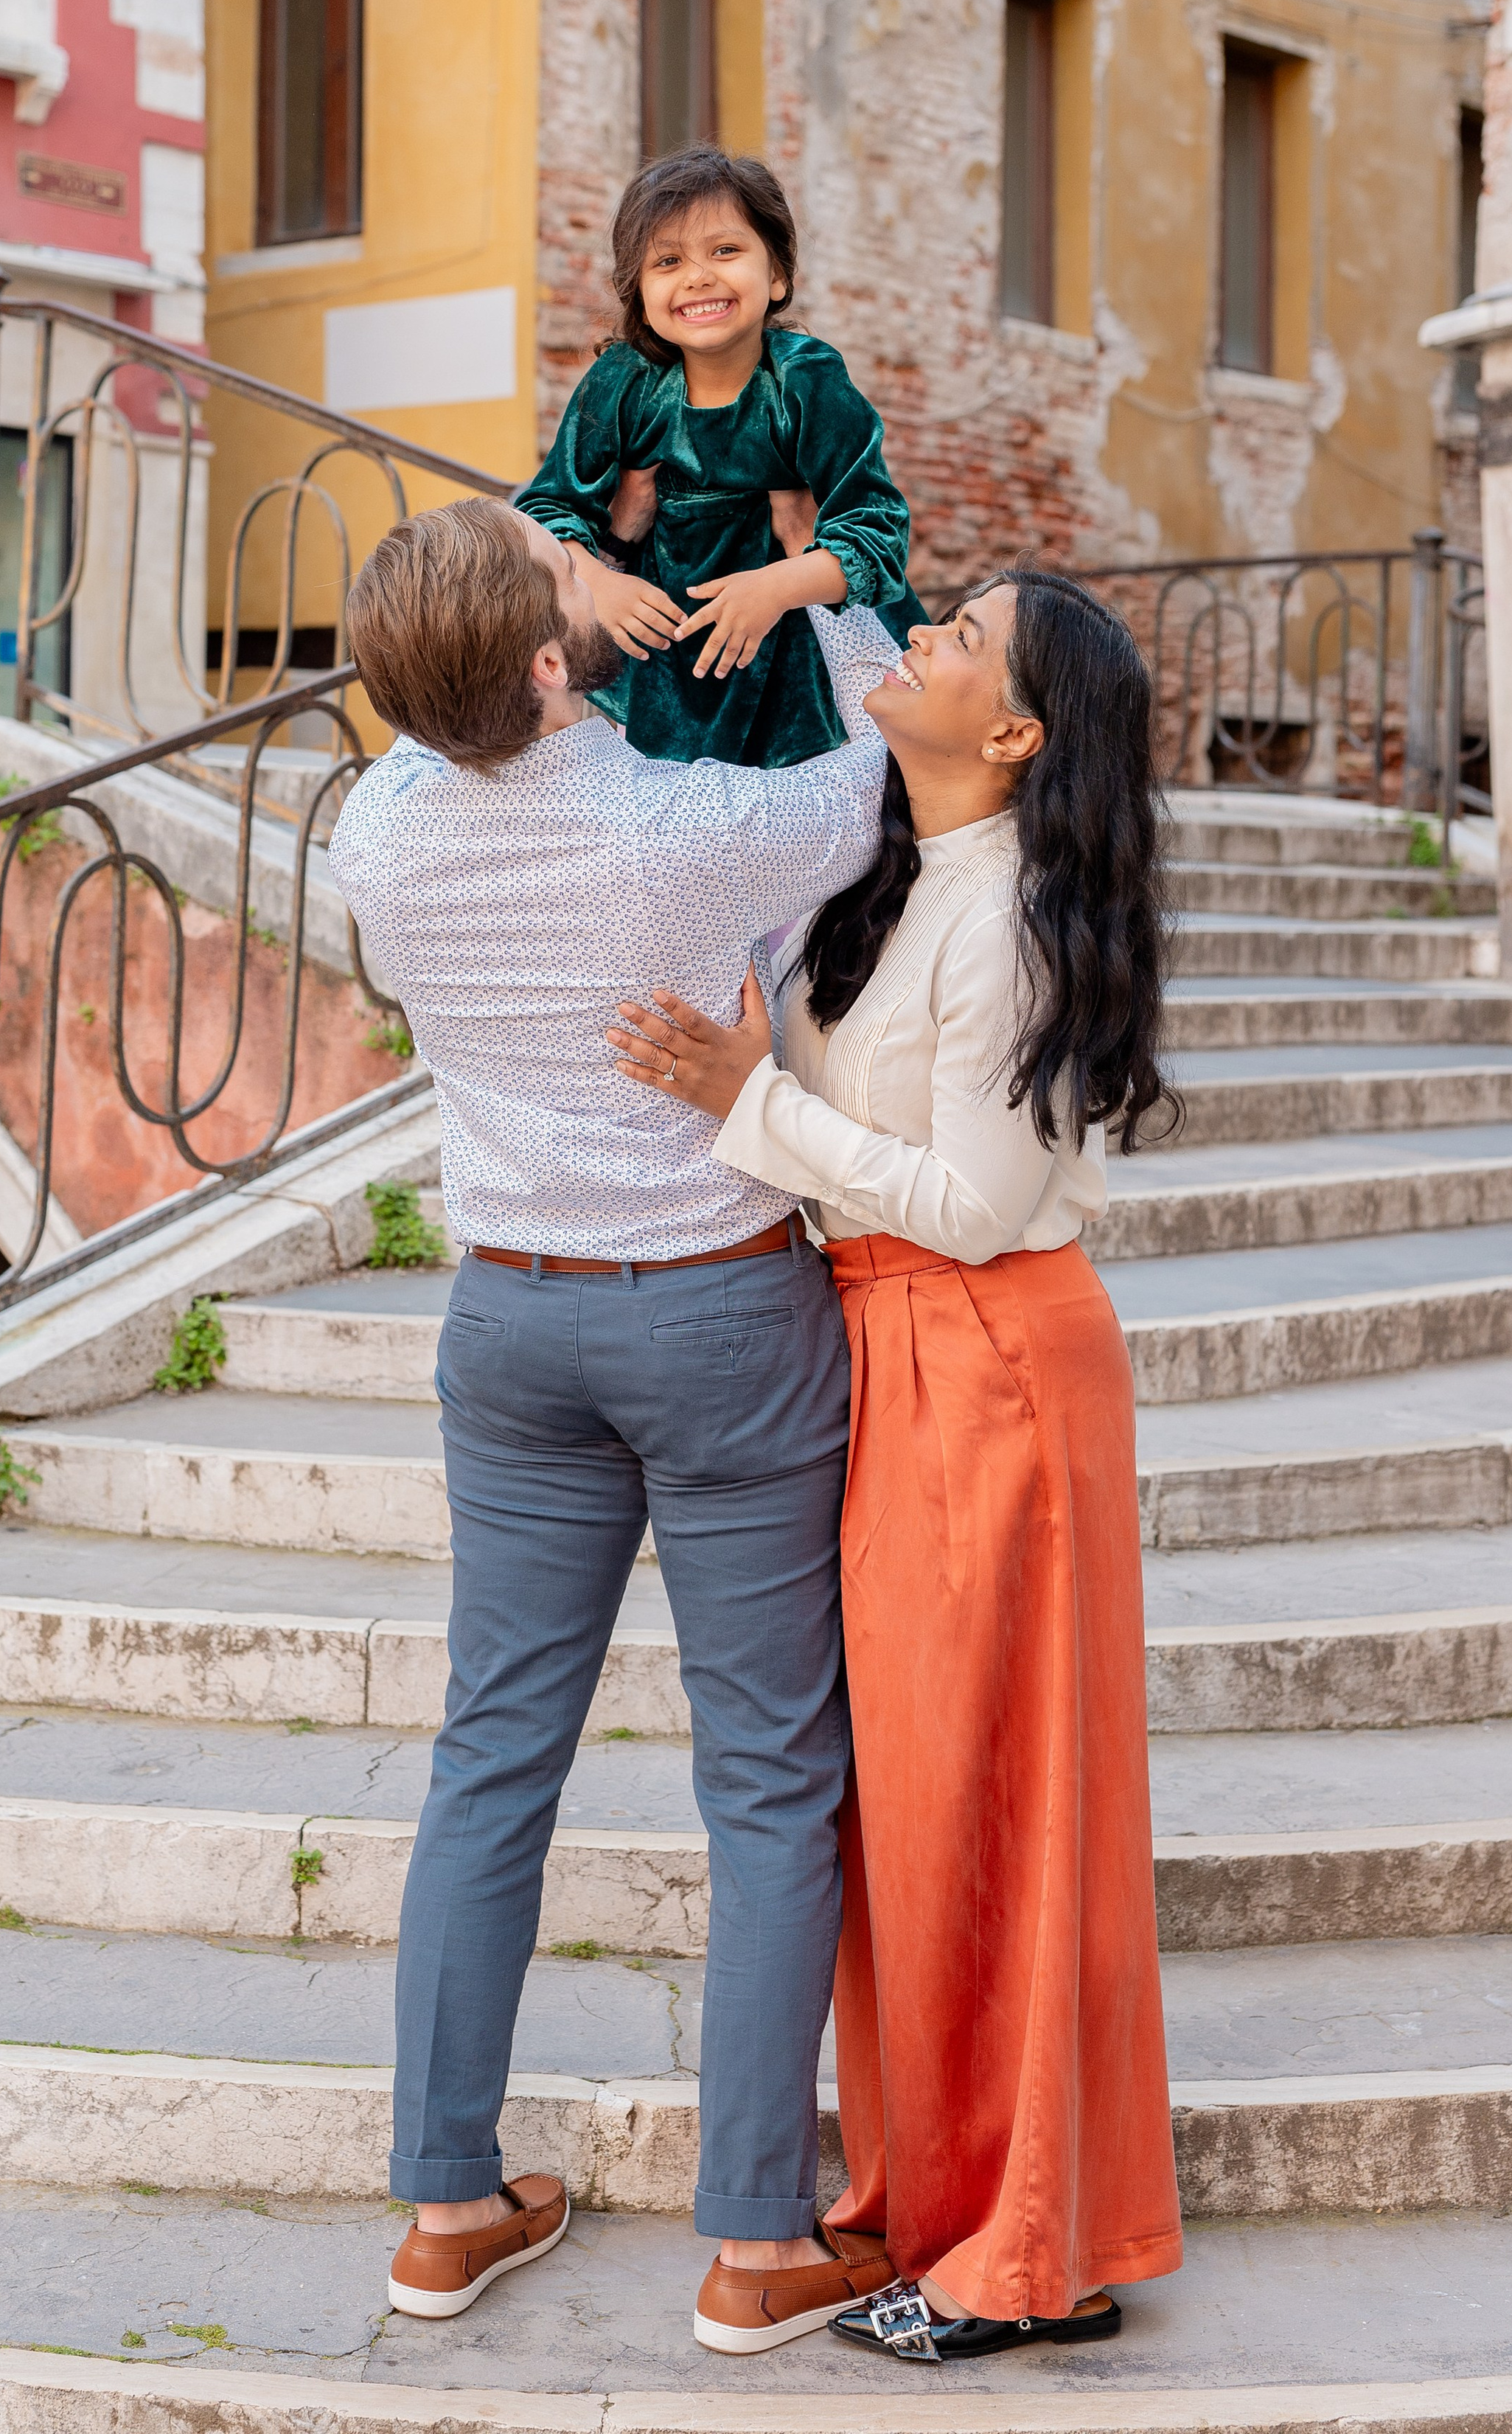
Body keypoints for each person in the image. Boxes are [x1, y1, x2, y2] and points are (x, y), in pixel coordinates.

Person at [327, 494, 908, 2355]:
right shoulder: (682, 831)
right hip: (720, 1314)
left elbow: (453, 738)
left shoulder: (381, 833)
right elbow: (868, 772)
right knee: (764, 1776)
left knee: (487, 1763)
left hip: (508, 1320)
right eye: (553, 563)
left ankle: (441, 2207)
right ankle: (752, 2243)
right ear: (541, 653)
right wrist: (826, 585)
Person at [607, 566, 1185, 2363]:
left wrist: (742, 1103)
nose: (916, 642)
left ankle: (1028, 2254)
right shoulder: (901, 869)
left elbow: (974, 1205)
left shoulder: (1010, 913)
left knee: (1003, 1797)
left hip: (991, 1358)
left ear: (1012, 732)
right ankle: (933, 2202)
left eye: (956, 640)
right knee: (911, 1808)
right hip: (891, 1350)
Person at [516, 143, 924, 769]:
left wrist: (778, 587)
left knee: (815, 796)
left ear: (778, 275)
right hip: (668, 652)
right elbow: (546, 507)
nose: (698, 276)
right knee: (675, 802)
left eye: (726, 250)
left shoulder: (804, 382)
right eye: (668, 260)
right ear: (639, 290)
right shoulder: (624, 382)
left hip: (799, 642)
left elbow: (878, 531)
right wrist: (601, 581)